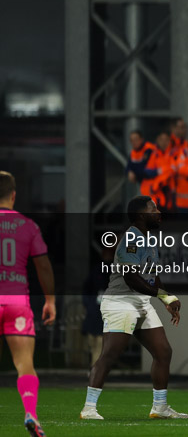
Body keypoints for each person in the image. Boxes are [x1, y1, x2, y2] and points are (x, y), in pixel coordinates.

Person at [81, 195, 188, 421]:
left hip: (140, 302)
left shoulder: (148, 240)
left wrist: (166, 300)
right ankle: (88, 408)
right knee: (110, 354)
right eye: (154, 208)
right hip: (121, 302)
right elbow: (131, 278)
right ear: (141, 215)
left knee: (163, 352)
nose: (158, 212)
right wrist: (163, 295)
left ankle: (159, 407)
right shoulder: (131, 238)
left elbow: (152, 277)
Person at [0, 171, 56, 437]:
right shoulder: (28, 225)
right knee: (24, 363)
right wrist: (50, 301)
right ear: (13, 195)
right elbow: (43, 266)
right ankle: (31, 414)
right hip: (17, 302)